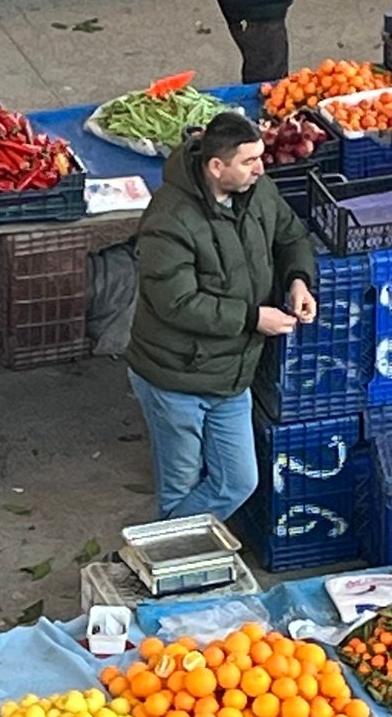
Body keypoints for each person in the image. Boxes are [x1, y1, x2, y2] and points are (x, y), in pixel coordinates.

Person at [125, 111, 319, 523]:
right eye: (249, 161)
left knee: (237, 481)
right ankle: (170, 565)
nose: (260, 168)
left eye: (260, 157)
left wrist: (298, 279)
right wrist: (253, 318)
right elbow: (175, 302)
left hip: (232, 374)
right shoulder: (170, 219)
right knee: (180, 486)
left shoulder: (258, 191)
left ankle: (171, 549)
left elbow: (290, 234)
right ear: (217, 167)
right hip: (174, 377)